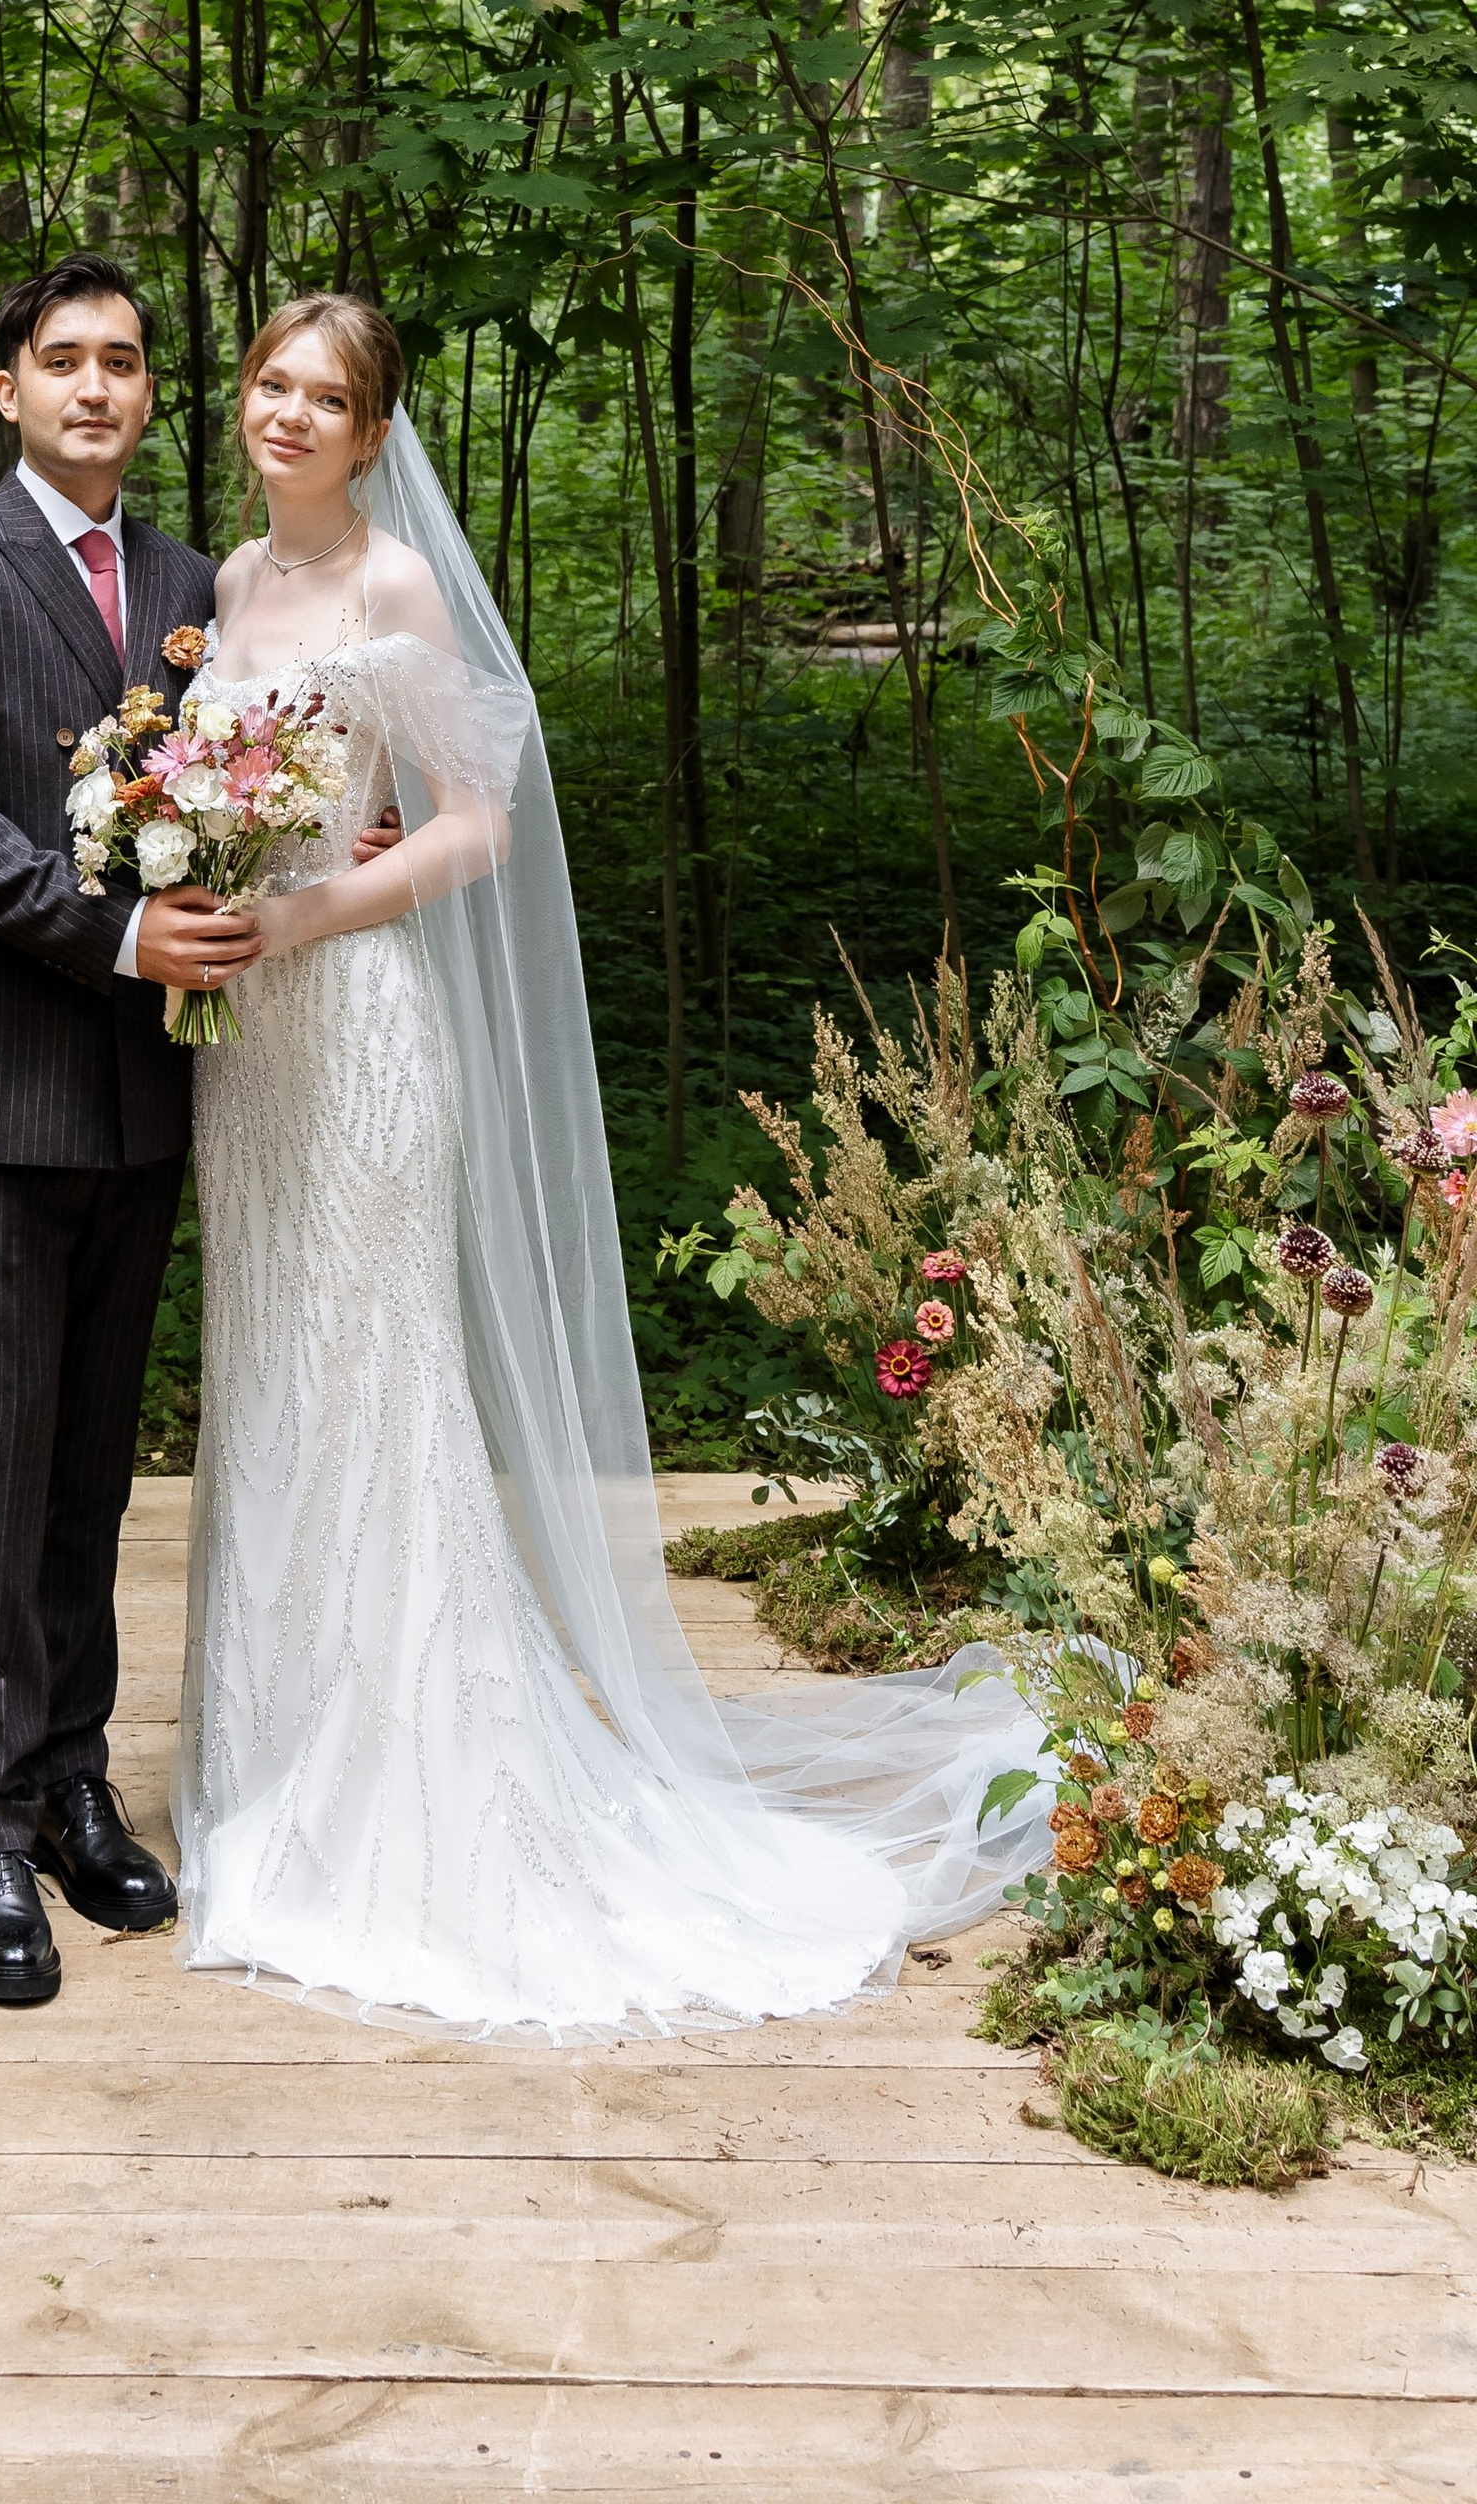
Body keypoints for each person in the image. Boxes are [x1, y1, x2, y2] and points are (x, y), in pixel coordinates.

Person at [175, 291, 1052, 2037]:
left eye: (324, 397)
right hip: (243, 1054)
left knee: (380, 1381)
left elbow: (482, 819)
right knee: (272, 1377)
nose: (286, 413)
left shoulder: (394, 586)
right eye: (270, 382)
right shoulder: (224, 589)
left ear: (371, 434)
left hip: (354, 1031)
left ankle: (416, 1789)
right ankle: (277, 1759)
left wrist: (310, 909)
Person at [0, 257, 395, 2006]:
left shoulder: (193, 581)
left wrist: (332, 861)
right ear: (6, 385)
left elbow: (271, 771)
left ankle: (81, 1779)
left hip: (147, 1097)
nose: (97, 387)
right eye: (63, 361)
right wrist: (118, 935)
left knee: (95, 1474)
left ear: (153, 396)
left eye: (126, 363)